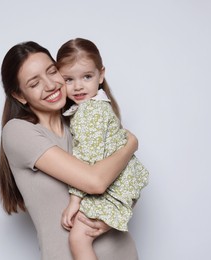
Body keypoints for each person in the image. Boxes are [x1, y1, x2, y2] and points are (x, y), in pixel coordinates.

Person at [0, 41, 140, 260]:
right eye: (34, 83)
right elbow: (96, 182)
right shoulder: (18, 132)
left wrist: (107, 221)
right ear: (20, 96)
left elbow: (129, 180)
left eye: (52, 72)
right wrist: (131, 144)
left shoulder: (82, 123)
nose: (50, 85)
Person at [56, 38, 149, 260]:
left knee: (78, 238)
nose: (78, 86)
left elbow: (87, 160)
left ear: (101, 74)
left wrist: (74, 201)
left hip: (112, 185)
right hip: (122, 182)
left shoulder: (89, 112)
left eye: (87, 77)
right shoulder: (100, 106)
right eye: (69, 79)